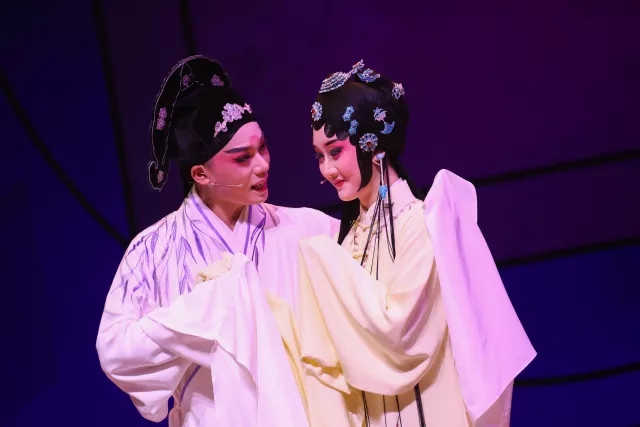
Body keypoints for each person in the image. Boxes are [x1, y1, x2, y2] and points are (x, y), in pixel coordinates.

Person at [283, 60, 537, 427]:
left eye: (335, 151)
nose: (326, 169)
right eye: (319, 156)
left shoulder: (422, 224)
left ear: (372, 143)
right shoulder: (349, 238)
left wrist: (321, 259)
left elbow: (400, 337)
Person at [96, 55, 339, 427]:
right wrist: (204, 313)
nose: (262, 165)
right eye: (243, 158)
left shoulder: (305, 227)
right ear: (201, 174)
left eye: (263, 148)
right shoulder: (152, 251)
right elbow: (115, 351)